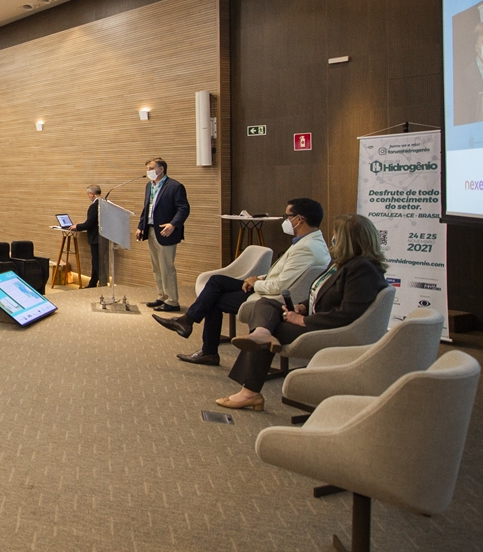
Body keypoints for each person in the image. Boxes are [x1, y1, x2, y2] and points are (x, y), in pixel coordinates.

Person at [217, 214, 390, 411]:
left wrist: (302, 320)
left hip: (331, 328)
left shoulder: (363, 270)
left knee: (273, 331)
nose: (332, 238)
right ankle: (261, 332)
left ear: (347, 239)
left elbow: (347, 314)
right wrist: (302, 306)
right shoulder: (344, 263)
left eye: (335, 234)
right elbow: (323, 293)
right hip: (316, 318)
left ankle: (249, 392)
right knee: (265, 304)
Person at [157, 198, 331, 365]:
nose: (285, 220)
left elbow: (280, 285)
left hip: (272, 299)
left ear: (299, 219)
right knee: (216, 282)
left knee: (212, 299)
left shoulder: (305, 249)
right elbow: (286, 275)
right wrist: (257, 278)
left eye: (287, 216)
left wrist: (256, 283)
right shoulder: (313, 242)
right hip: (268, 288)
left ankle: (204, 345)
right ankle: (188, 323)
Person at [135, 158, 188, 312]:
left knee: (167, 267)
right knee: (156, 267)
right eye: (147, 169)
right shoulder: (149, 186)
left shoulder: (175, 186)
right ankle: (162, 296)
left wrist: (173, 224)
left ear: (161, 169)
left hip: (166, 231)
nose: (148, 171)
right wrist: (141, 226)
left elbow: (183, 208)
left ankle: (172, 301)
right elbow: (147, 208)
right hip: (151, 230)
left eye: (151, 168)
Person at [70, 186, 106, 288]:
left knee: (97, 263)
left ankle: (103, 284)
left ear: (92, 194)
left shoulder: (94, 206)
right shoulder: (105, 203)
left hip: (96, 238)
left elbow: (89, 223)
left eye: (88, 194)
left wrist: (77, 226)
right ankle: (92, 283)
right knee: (96, 261)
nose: (88, 196)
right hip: (104, 237)